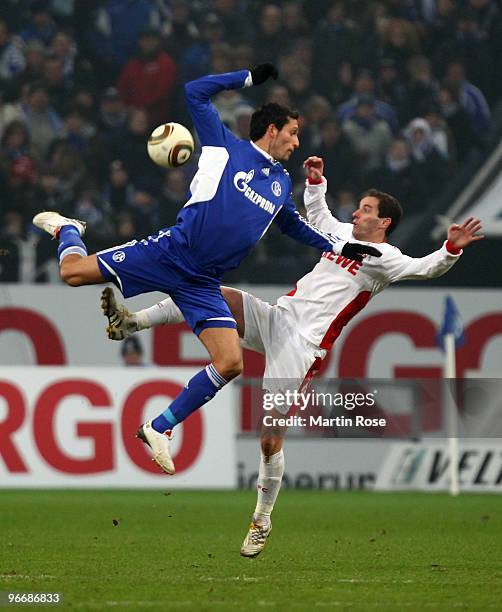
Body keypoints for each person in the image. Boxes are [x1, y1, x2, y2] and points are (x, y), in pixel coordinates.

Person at [99, 156, 483, 557]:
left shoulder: (388, 260)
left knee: (269, 441)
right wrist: (316, 182)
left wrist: (450, 250)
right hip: (277, 318)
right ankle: (132, 323)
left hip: (302, 348)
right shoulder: (341, 233)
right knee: (213, 292)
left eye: (367, 210)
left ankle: (262, 519)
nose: (357, 212)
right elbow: (318, 216)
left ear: (384, 222)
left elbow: (425, 268)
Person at [33, 65, 378, 476]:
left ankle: (159, 427)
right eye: (292, 134)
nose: (296, 142)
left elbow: (292, 225)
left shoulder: (281, 183)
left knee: (231, 362)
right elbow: (195, 91)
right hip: (171, 253)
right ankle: (68, 229)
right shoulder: (222, 144)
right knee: (71, 273)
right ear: (271, 131)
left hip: (203, 281)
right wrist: (248, 77)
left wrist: (340, 245)